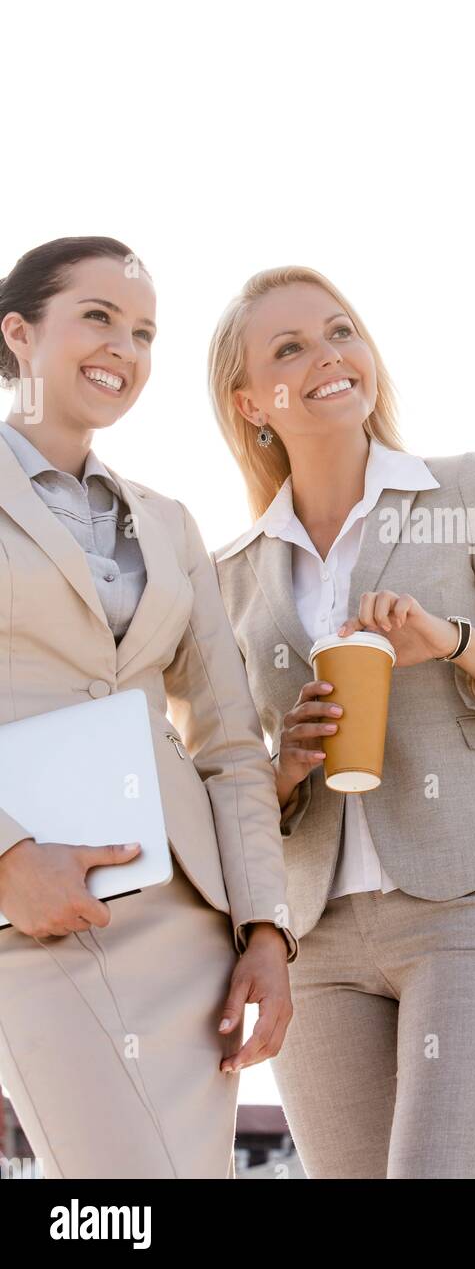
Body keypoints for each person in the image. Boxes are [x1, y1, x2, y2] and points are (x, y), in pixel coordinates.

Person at [208, 264, 475, 1178]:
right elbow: (216, 781)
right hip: (314, 941)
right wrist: (283, 769)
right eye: (290, 348)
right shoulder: (227, 574)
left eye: (340, 329)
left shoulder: (462, 493)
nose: (330, 356)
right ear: (251, 403)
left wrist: (459, 645)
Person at [0, 237, 294, 1179]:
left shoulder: (167, 522)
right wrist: (8, 857)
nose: (123, 347)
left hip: (190, 926)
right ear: (18, 332)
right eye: (97, 317)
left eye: (144, 332)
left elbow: (231, 742)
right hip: (36, 912)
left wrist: (265, 929)